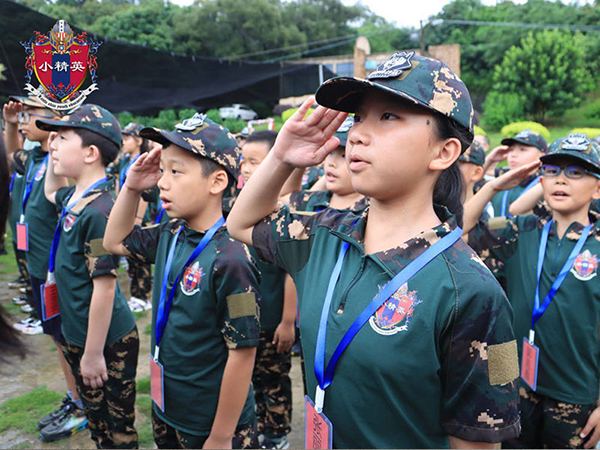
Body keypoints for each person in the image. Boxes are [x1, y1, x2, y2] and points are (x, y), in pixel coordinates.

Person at [227, 52, 520, 448]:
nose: (357, 135)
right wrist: (281, 157)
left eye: (388, 116)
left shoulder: (472, 291)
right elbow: (241, 223)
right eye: (359, 118)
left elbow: (476, 441)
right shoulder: (324, 234)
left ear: (444, 152)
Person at [103, 113, 260, 449]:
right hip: (170, 405)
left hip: (211, 421)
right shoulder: (172, 233)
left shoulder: (232, 258)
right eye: (163, 170)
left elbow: (243, 353)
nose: (162, 182)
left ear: (217, 182)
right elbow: (114, 241)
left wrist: (221, 436)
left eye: (176, 171)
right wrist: (131, 187)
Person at [464, 133, 600, 449]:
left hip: (574, 391)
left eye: (576, 171)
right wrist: (492, 186)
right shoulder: (522, 231)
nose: (561, 180)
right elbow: (459, 229)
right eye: (552, 171)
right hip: (511, 380)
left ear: (598, 189)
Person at [40, 104, 139, 448]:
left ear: (90, 153)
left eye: (62, 138)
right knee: (96, 419)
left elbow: (105, 287)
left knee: (117, 427)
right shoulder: (76, 196)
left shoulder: (100, 210)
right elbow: (50, 192)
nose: (53, 144)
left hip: (106, 342)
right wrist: (52, 150)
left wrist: (94, 354)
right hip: (79, 331)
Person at [2, 95, 88, 441]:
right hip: (38, 268)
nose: (23, 119)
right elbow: (11, 155)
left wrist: (58, 140)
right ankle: (74, 398)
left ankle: (84, 405)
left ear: (55, 119)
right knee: (56, 337)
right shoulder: (35, 158)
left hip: (57, 273)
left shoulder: (59, 164)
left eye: (30, 113)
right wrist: (10, 125)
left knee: (68, 340)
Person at [240, 129, 294, 450]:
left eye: (253, 162)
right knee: (252, 378)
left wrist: (287, 321)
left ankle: (277, 433)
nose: (245, 169)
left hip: (273, 318)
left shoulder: (283, 213)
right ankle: (260, 425)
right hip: (247, 315)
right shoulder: (239, 208)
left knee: (273, 378)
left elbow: (292, 274)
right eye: (243, 161)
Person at [285, 116, 368, 213]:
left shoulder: (369, 209)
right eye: (329, 153)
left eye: (343, 156)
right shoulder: (316, 200)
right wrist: (300, 161)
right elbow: (285, 197)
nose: (332, 163)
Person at [118, 122, 154, 312]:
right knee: (130, 255)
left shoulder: (144, 161)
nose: (123, 142)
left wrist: (138, 218)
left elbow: (144, 194)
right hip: (126, 215)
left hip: (139, 217)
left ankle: (143, 296)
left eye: (127, 138)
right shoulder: (125, 161)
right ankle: (135, 294)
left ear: (138, 141)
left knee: (141, 258)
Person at [484, 129, 548, 218]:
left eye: (522, 149)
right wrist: (489, 160)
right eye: (511, 150)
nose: (513, 154)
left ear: (541, 156)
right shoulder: (501, 180)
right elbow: (471, 181)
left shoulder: (544, 185)